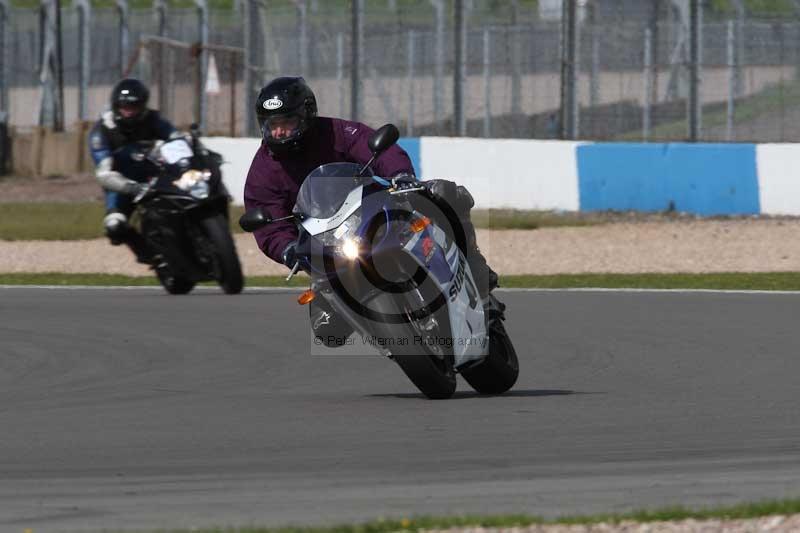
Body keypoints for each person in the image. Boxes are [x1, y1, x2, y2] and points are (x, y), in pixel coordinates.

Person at [243, 76, 499, 345]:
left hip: (371, 216)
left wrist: (400, 175)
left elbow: (376, 147)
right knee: (327, 331)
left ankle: (475, 269)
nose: (280, 132)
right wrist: (287, 248)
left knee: (444, 193)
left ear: (306, 115)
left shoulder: (335, 132)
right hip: (323, 246)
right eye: (273, 125)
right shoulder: (263, 171)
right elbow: (267, 222)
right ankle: (386, 337)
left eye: (287, 123)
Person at [88, 78, 179, 264]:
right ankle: (149, 254)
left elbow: (177, 139)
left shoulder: (153, 119)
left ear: (143, 105)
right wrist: (132, 188)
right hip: (122, 185)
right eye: (124, 106)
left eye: (134, 106)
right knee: (114, 226)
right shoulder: (102, 132)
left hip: (158, 175)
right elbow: (104, 173)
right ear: (115, 105)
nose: (128, 110)